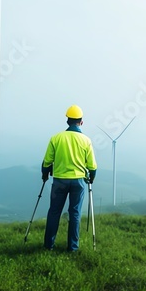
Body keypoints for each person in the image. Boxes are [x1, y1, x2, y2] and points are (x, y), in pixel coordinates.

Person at [41, 105, 97, 252]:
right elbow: (92, 166)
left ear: (67, 121)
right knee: (75, 213)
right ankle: (72, 247)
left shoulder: (56, 138)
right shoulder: (86, 140)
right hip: (78, 182)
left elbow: (47, 161)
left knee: (54, 212)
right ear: (81, 122)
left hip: (59, 180)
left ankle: (48, 246)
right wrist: (92, 178)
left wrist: (45, 174)